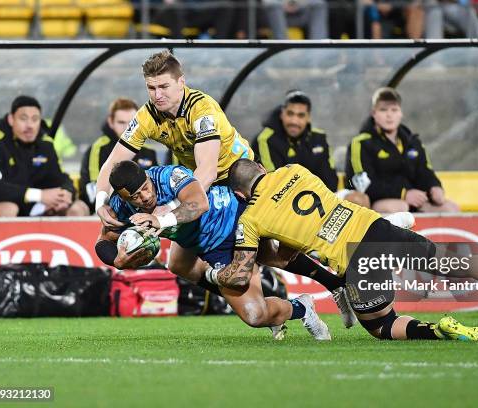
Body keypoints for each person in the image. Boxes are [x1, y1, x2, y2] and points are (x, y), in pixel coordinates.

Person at [93, 50, 358, 327]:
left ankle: (335, 282)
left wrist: (168, 210)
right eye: (151, 87)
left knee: (271, 253)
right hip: (199, 186)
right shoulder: (147, 115)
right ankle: (318, 289)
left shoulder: (202, 109)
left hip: (240, 182)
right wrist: (100, 202)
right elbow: (112, 163)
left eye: (163, 86)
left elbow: (206, 172)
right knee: (179, 265)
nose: (157, 94)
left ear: (181, 82)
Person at [203, 159, 478, 342]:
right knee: (452, 264)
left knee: (381, 325)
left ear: (238, 194)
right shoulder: (294, 169)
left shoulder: (250, 218)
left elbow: (241, 270)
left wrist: (209, 272)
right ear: (263, 169)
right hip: (374, 226)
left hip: (355, 259)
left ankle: (439, 331)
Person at [97, 160, 331, 340]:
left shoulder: (170, 176)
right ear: (122, 197)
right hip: (212, 247)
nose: (145, 197)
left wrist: (161, 221)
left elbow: (199, 204)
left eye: (146, 188)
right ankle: (302, 306)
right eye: (136, 197)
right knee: (255, 315)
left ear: (148, 176)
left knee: (278, 254)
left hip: (235, 216)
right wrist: (117, 260)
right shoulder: (119, 208)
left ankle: (336, 281)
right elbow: (103, 241)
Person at [346, 87, 459, 214]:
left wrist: (435, 187)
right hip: (379, 202)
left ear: (401, 113)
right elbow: (361, 184)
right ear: (374, 113)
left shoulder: (413, 142)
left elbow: (425, 171)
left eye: (394, 110)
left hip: (414, 201)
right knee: (399, 208)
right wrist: (403, 194)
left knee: (450, 208)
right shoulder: (361, 143)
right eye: (383, 110)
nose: (389, 115)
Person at [252, 90, 369, 207]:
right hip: (285, 202)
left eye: (301, 115)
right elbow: (276, 184)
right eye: (290, 114)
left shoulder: (319, 137)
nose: (294, 121)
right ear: (282, 114)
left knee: (360, 199)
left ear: (308, 118)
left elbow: (331, 181)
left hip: (322, 196)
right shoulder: (265, 139)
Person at [0, 96, 89, 217]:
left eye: (35, 119)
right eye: (23, 119)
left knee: (79, 208)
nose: (30, 125)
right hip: (10, 205)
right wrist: (39, 195)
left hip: (37, 207)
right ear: (11, 119)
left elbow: (61, 178)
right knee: (9, 209)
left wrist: (65, 193)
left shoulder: (45, 143)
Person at [79, 98, 158, 214]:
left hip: (145, 206)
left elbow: (156, 185)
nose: (127, 128)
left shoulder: (149, 152)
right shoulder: (97, 148)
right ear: (111, 122)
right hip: (108, 209)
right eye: (121, 122)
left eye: (131, 123)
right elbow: (91, 188)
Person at [262, 0, 329, 39]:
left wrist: (298, 5)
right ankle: (281, 45)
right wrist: (284, 4)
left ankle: (318, 46)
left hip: (302, 10)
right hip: (278, 13)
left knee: (319, 4)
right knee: (273, 6)